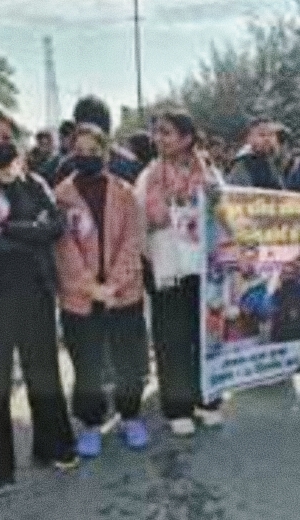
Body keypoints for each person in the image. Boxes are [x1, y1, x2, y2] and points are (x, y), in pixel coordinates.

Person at [0, 109, 77, 495]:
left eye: (6, 137)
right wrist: (31, 235)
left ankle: (54, 446)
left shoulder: (33, 181)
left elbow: (55, 225)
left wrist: (9, 229)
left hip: (35, 293)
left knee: (45, 373)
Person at [54, 124, 149, 456]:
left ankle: (130, 416)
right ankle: (91, 422)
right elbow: (63, 247)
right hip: (80, 298)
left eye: (94, 151)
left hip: (124, 294)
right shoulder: (61, 195)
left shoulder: (125, 192)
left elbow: (133, 240)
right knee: (87, 364)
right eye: (80, 151)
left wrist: (113, 285)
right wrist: (90, 287)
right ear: (71, 153)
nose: (87, 156)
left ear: (107, 153)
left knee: (128, 361)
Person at [135, 110, 224, 437]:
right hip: (168, 269)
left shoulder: (209, 172)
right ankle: (177, 408)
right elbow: (141, 223)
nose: (159, 139)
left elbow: (224, 213)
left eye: (167, 132)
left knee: (204, 333)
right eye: (157, 132)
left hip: (202, 267)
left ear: (187, 138)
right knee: (172, 338)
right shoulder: (150, 175)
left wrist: (213, 203)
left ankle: (207, 399)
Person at [227, 117, 283, 190]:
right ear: (249, 138)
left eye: (271, 135)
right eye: (262, 135)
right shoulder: (243, 163)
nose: (267, 139)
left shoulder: (270, 163)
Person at [39, 120, 75, 186]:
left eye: (67, 135)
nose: (63, 139)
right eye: (62, 136)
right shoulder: (54, 161)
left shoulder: (78, 159)